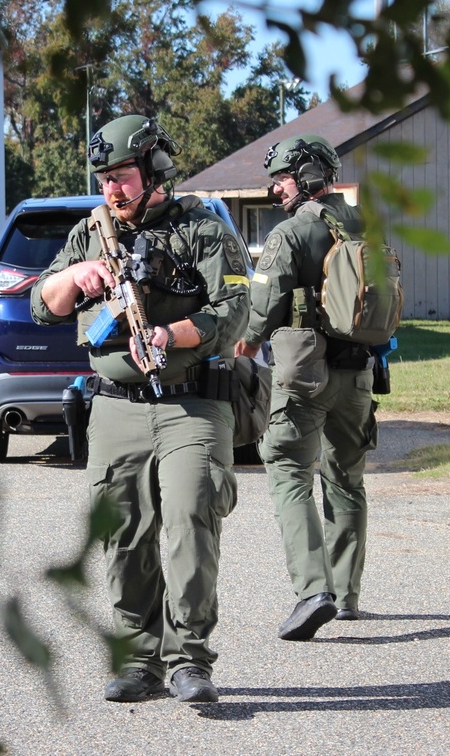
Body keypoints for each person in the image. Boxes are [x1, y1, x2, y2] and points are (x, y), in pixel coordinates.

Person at [30, 114, 250, 704]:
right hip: (115, 408)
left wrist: (170, 335)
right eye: (104, 178)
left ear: (155, 170)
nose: (112, 189)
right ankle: (138, 660)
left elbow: (235, 308)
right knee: (124, 531)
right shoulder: (90, 232)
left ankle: (190, 659)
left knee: (190, 515)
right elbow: (41, 305)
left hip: (193, 402)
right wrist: (77, 277)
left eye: (122, 175)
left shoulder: (203, 230)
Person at [234, 135, 377, 641]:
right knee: (347, 479)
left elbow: (265, 304)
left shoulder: (291, 233)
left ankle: (312, 591)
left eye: (283, 179)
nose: (276, 191)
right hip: (360, 374)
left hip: (306, 377)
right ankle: (346, 595)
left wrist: (245, 347)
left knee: (288, 468)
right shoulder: (365, 226)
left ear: (309, 175)